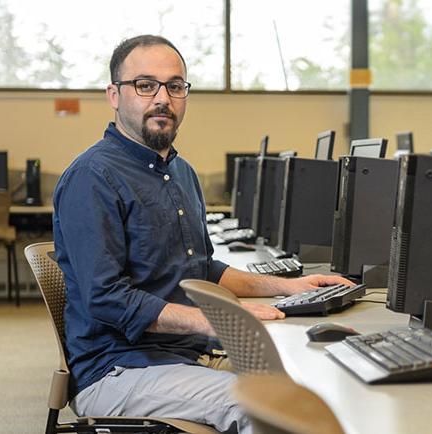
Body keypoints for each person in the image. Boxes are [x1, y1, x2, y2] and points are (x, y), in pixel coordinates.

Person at [53, 34, 353, 434]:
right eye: (146, 85)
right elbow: (107, 299)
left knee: (316, 383)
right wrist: (217, 322)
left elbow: (202, 269)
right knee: (266, 410)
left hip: (182, 356)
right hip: (118, 368)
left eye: (175, 86)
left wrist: (288, 287)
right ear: (114, 94)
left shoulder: (181, 173)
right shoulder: (92, 178)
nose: (163, 98)